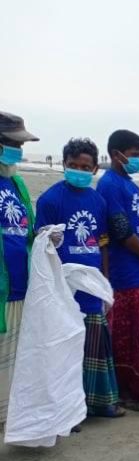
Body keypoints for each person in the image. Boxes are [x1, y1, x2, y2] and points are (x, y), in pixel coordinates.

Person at [35, 137, 124, 418]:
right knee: (66, 352)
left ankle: (99, 403)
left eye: (85, 166)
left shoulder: (98, 200)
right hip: (63, 289)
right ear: (64, 165)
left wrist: (105, 283)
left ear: (95, 168)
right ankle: (67, 411)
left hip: (91, 287)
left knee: (95, 346)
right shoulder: (50, 199)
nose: (78, 170)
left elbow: (103, 243)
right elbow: (40, 245)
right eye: (73, 165)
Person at [97, 129, 139, 412]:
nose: (138, 160)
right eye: (135, 155)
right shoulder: (110, 185)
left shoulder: (132, 186)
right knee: (124, 334)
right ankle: (125, 390)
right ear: (117, 154)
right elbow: (122, 232)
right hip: (124, 274)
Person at [0, 111, 38, 431]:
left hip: (19, 288)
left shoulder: (17, 184)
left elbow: (27, 231)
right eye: (13, 144)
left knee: (11, 359)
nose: (19, 151)